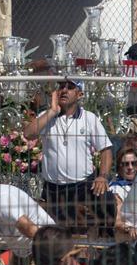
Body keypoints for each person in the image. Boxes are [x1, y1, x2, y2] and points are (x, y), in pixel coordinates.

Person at [23, 78, 112, 232]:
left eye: (70, 87)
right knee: (56, 236)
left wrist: (103, 176)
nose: (64, 90)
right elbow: (28, 134)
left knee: (98, 216)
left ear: (79, 94)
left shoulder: (89, 118)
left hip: (82, 187)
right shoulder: (47, 116)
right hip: (53, 190)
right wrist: (52, 111)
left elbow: (105, 150)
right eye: (61, 86)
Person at [105, 148, 137, 241]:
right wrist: (129, 229)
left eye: (134, 163)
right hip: (128, 242)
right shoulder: (116, 189)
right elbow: (117, 221)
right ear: (119, 166)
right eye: (125, 164)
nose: (130, 167)